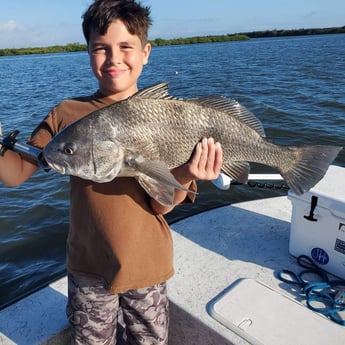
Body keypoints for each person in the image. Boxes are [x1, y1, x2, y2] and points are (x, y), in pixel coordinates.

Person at [0, 0, 223, 344]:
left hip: (146, 265)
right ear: (87, 52)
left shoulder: (173, 117)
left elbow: (161, 206)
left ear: (146, 52)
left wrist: (186, 174)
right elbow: (15, 175)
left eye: (125, 47)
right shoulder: (67, 113)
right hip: (87, 266)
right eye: (100, 48)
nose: (114, 59)